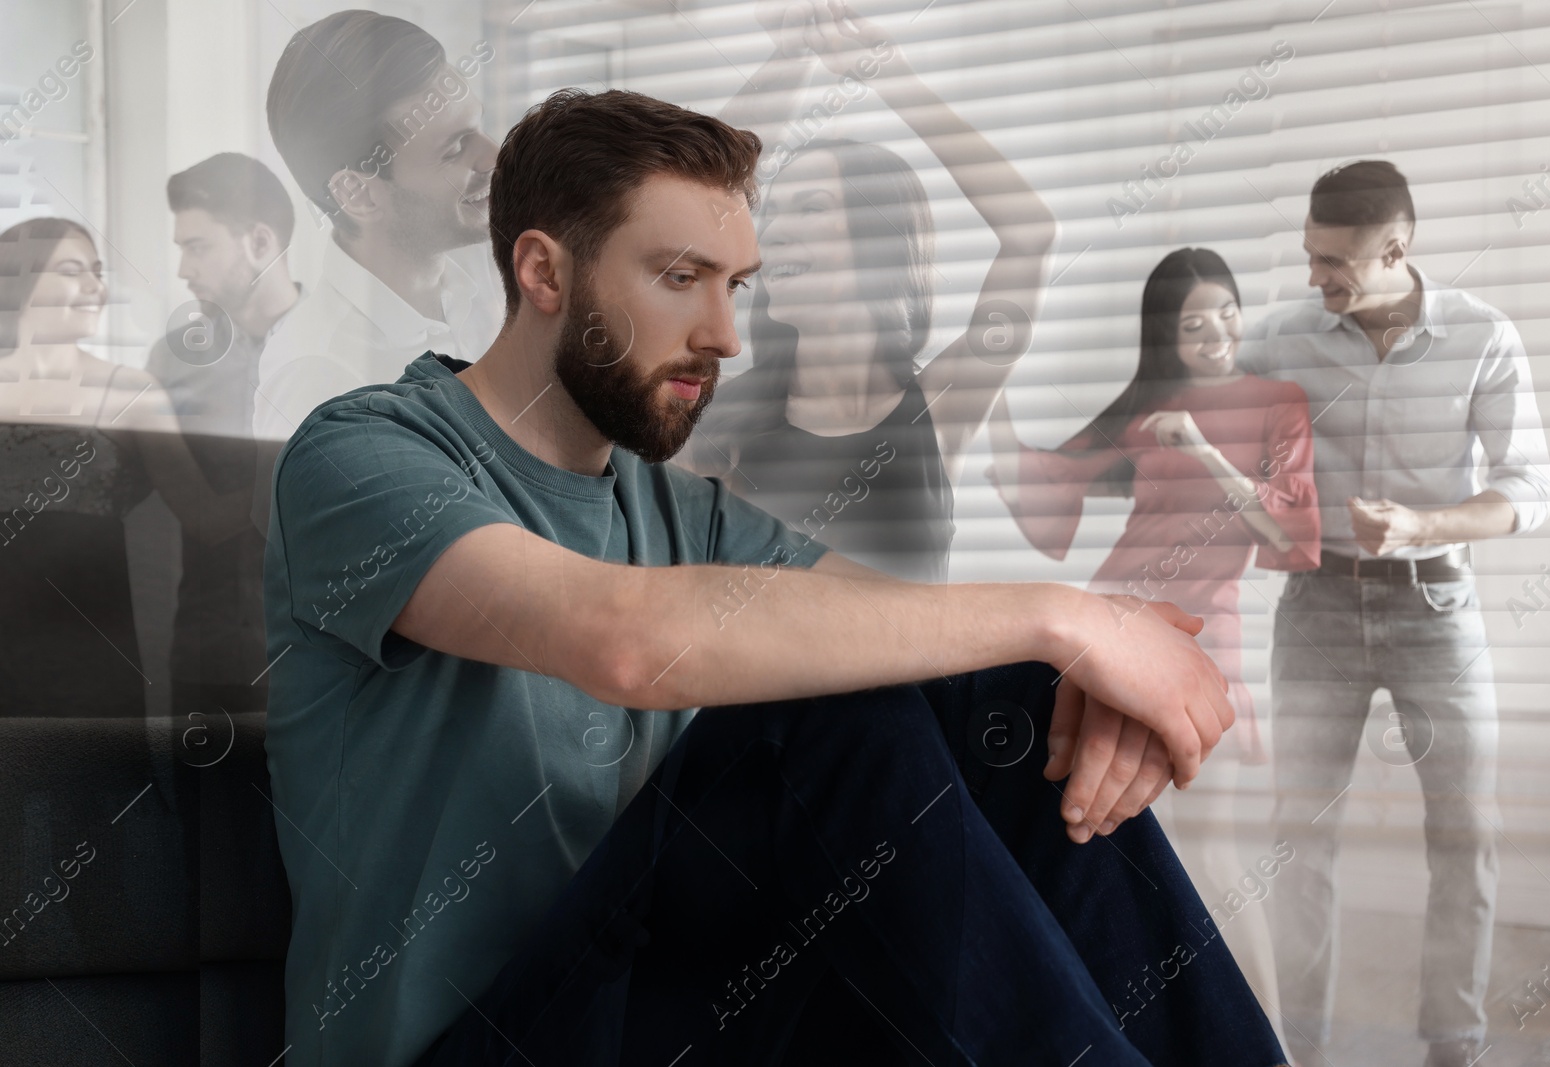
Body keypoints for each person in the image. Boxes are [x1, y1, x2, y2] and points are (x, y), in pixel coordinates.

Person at [262, 88, 1285, 1067]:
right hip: (476, 1045)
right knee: (820, 719)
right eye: (679, 277)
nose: (726, 335)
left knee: (1003, 698)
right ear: (544, 273)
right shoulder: (363, 457)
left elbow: (914, 636)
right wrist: (1069, 614)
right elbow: (621, 637)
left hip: (667, 1013)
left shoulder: (680, 511)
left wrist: (1069, 669)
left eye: (736, 284)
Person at [1237, 160, 1550, 1067]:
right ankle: (1294, 1045)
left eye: (1333, 261)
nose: (1315, 278)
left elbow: (1528, 486)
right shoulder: (1275, 340)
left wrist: (1425, 523)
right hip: (1316, 607)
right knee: (1299, 837)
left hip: (1436, 605)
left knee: (1467, 832)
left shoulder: (1484, 337)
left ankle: (1454, 1045)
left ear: (1396, 249)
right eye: (1308, 256)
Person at [985, 247, 1320, 1050]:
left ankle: (1272, 1047)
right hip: (1112, 628)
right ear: (1166, 332)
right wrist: (985, 388)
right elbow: (1045, 484)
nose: (1214, 330)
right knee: (1102, 845)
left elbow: (1292, 534)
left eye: (1226, 312)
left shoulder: (1278, 402)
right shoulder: (1147, 408)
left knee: (1219, 860)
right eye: (1192, 320)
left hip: (1204, 637)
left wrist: (1201, 446)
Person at [682, 1, 1056, 583]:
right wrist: (788, 61)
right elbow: (684, 216)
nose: (774, 232)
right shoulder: (722, 419)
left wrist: (891, 75)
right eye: (772, 215)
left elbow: (1030, 232)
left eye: (810, 208)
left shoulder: (939, 404)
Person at [0, 217, 252, 717]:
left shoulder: (131, 392)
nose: (97, 287)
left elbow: (209, 519)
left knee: (92, 785)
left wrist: (293, 470)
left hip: (90, 653)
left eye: (97, 271)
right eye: (73, 271)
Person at [252, 9, 502, 510]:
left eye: (477, 128)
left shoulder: (490, 297)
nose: (494, 155)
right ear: (360, 195)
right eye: (455, 147)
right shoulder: (317, 374)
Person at [146, 152, 302, 717]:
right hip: (208, 661)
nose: (184, 269)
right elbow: (198, 515)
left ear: (259, 242)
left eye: (197, 246)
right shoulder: (170, 362)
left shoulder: (345, 349)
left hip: (329, 661)